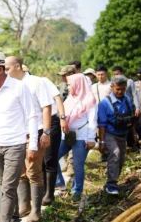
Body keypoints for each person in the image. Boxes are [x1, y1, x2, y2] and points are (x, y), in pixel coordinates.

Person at [0, 51, 38, 222]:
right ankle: (14, 217)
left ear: (0, 70)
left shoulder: (19, 87)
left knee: (7, 187)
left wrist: (33, 145)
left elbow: (32, 116)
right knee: (4, 186)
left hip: (15, 145)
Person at [5, 56, 53, 221]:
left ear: (17, 66)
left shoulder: (36, 82)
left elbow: (47, 108)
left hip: (37, 132)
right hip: (18, 134)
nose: (5, 72)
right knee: (21, 172)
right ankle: (24, 206)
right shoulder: (10, 86)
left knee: (34, 171)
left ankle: (36, 212)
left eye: (7, 68)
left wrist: (46, 132)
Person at [56, 74, 97, 203]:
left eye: (70, 84)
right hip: (66, 136)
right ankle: (60, 184)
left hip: (82, 137)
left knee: (78, 166)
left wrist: (91, 139)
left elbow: (92, 121)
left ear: (78, 84)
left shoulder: (89, 100)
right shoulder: (70, 99)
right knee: (51, 157)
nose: (68, 87)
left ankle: (76, 191)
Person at [98, 75, 139, 195]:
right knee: (115, 154)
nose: (120, 92)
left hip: (123, 134)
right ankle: (111, 184)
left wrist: (134, 134)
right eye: (117, 89)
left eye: (123, 89)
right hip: (110, 134)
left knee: (120, 159)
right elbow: (102, 124)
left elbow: (130, 119)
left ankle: (113, 181)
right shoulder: (104, 103)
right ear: (112, 87)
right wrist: (101, 142)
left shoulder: (127, 100)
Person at [40, 77, 69, 206]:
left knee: (49, 158)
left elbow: (57, 98)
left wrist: (62, 117)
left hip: (51, 122)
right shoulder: (17, 85)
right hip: (36, 124)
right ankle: (43, 191)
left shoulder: (42, 81)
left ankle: (49, 194)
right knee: (39, 161)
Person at [112, 66, 140, 150]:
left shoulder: (130, 81)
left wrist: (137, 108)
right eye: (114, 75)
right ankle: (125, 146)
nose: (116, 76)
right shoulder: (113, 83)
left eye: (117, 74)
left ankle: (136, 144)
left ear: (122, 72)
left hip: (130, 107)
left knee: (133, 126)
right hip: (119, 109)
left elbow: (134, 94)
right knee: (124, 126)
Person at [91, 65, 112, 162]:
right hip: (96, 112)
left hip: (109, 112)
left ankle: (110, 151)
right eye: (98, 75)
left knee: (109, 132)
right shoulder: (93, 87)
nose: (100, 77)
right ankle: (103, 152)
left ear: (106, 74)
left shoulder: (111, 85)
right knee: (99, 132)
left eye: (102, 74)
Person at [134, 69, 141, 143]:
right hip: (138, 110)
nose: (139, 75)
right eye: (138, 74)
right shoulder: (135, 84)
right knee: (138, 126)